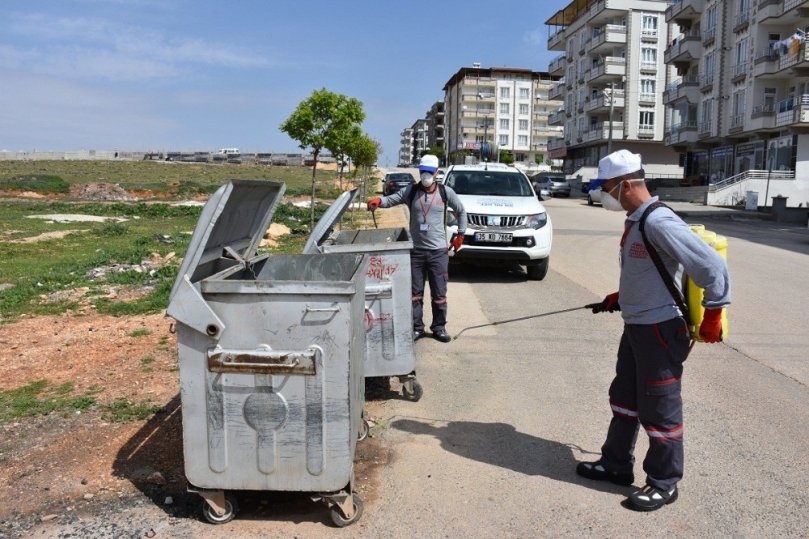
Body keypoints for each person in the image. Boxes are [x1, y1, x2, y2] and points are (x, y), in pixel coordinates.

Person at [577, 149, 731, 511]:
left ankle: (664, 482)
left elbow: (712, 267)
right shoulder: (635, 220)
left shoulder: (659, 222)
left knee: (659, 408)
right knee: (624, 399)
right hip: (636, 326)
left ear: (627, 184)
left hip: (661, 330)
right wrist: (621, 296)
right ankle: (615, 464)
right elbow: (647, 272)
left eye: (607, 187)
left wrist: (713, 315)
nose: (603, 194)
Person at [367, 154, 467, 343]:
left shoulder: (446, 193)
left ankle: (439, 327)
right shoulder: (411, 192)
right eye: (423, 172)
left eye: (429, 172)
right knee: (415, 293)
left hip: (438, 252)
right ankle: (416, 328)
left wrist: (460, 235)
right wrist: (379, 202)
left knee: (439, 293)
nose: (426, 175)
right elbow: (392, 199)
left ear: (437, 172)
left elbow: (461, 211)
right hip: (416, 252)